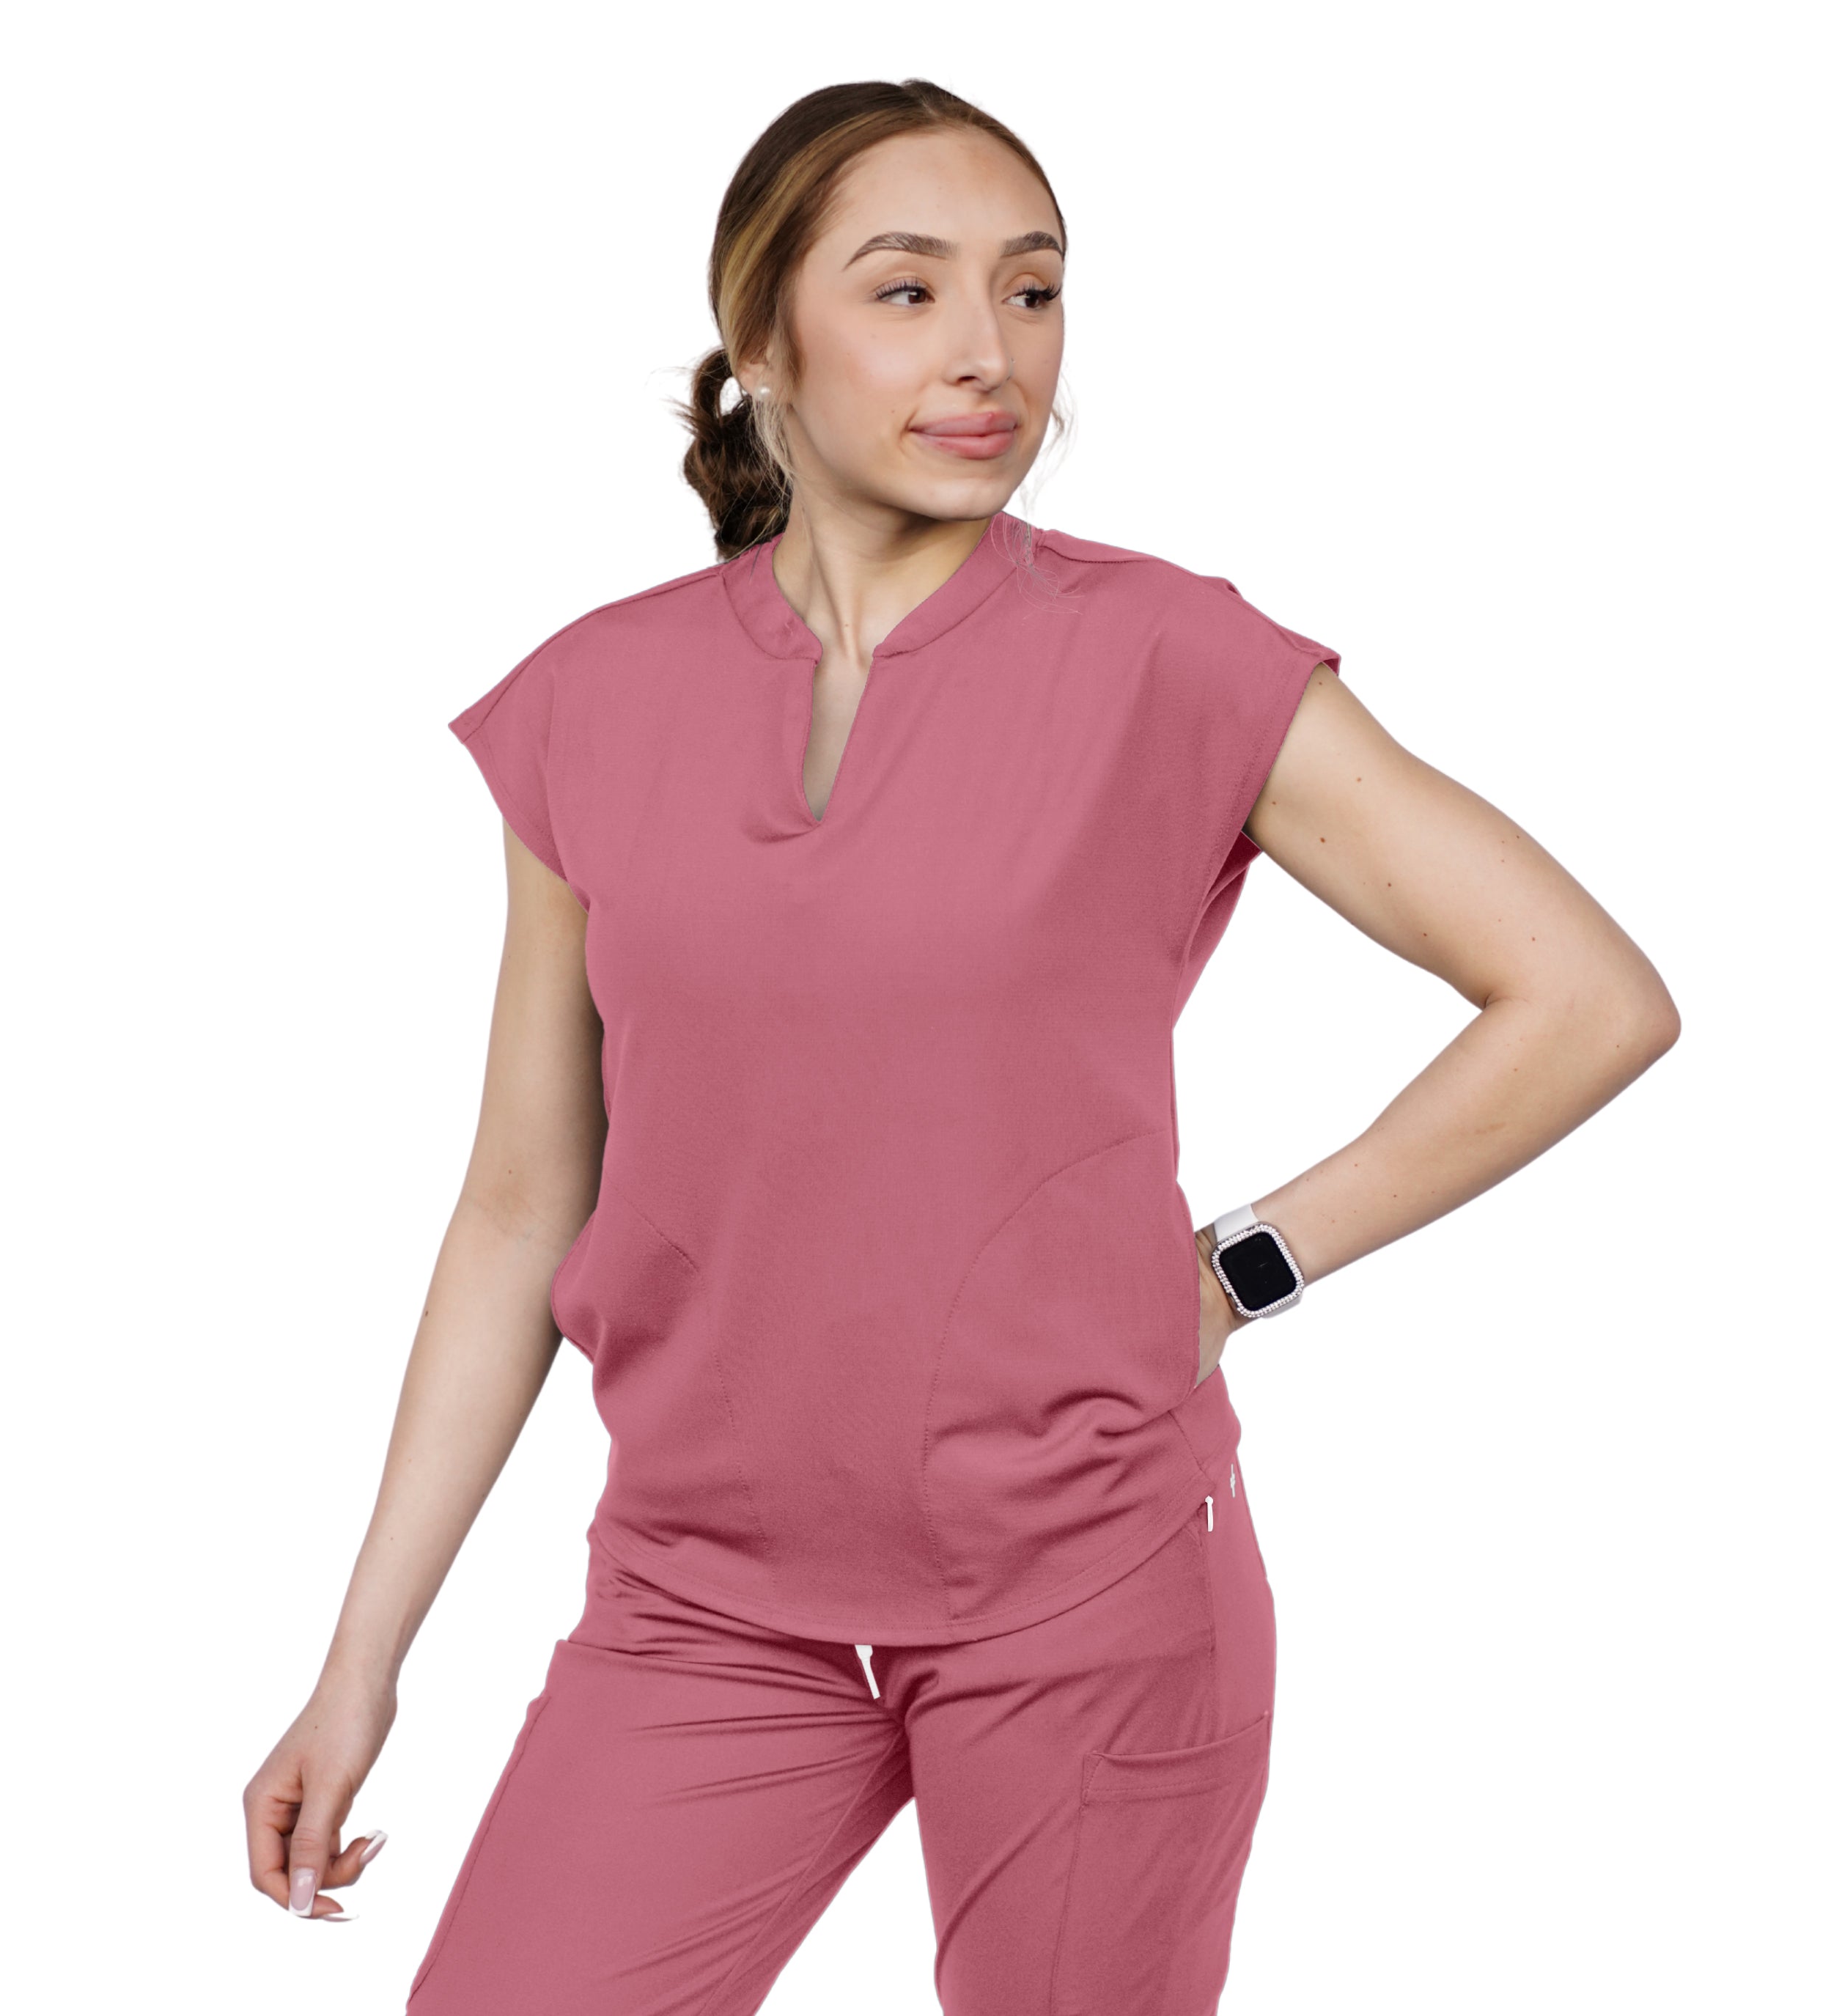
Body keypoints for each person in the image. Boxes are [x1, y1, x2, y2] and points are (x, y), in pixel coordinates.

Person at [242, 77, 1680, 2015]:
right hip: (700, 1607)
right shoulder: (594, 700)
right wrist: (360, 1663)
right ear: (762, 339)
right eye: (908, 291)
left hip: (1089, 1592)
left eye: (1034, 289)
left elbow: (1585, 996)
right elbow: (521, 1207)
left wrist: (1242, 1269)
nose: (990, 354)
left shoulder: (1170, 658)